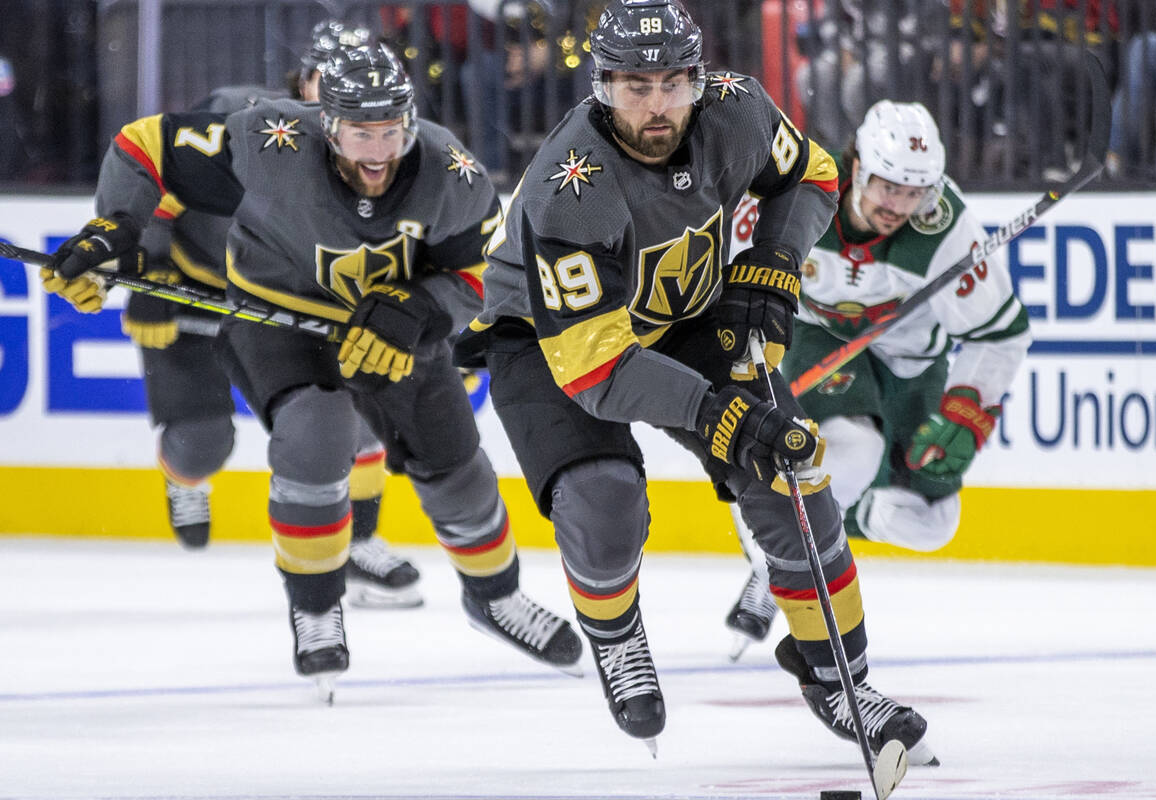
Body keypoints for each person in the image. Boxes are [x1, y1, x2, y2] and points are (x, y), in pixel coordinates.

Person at [458, 0, 936, 763]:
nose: (656, 106)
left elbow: (812, 173)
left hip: (681, 312)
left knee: (794, 479)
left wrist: (774, 265)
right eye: (635, 87)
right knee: (603, 502)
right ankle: (615, 634)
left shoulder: (738, 109)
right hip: (553, 341)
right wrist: (724, 418)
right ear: (601, 86)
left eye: (673, 84)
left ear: (700, 79)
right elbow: (597, 368)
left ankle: (837, 678)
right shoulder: (567, 187)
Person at [42, 41, 583, 699]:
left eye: (390, 129)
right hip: (277, 319)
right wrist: (115, 226)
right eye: (361, 131)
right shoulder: (267, 140)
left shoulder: (453, 172)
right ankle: (318, 605)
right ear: (328, 124)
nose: (379, 150)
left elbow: (477, 274)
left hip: (391, 330)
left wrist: (422, 310)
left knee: (459, 472)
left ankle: (495, 598)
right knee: (315, 432)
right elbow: (143, 145)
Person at [97, 20, 421, 609]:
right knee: (202, 444)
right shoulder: (237, 116)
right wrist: (149, 272)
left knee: (360, 408)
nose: (347, 98)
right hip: (195, 291)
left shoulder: (381, 149)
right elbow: (154, 175)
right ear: (303, 80)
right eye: (330, 80)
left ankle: (353, 543)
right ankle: (183, 476)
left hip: (283, 310)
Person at [722, 100, 1032, 660]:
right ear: (858, 164)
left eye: (913, 193)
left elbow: (1000, 332)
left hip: (912, 357)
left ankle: (831, 519)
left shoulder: (944, 230)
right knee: (856, 447)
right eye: (888, 186)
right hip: (817, 333)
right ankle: (781, 553)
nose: (898, 206)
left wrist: (968, 413)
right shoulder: (802, 189)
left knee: (935, 522)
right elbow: (731, 264)